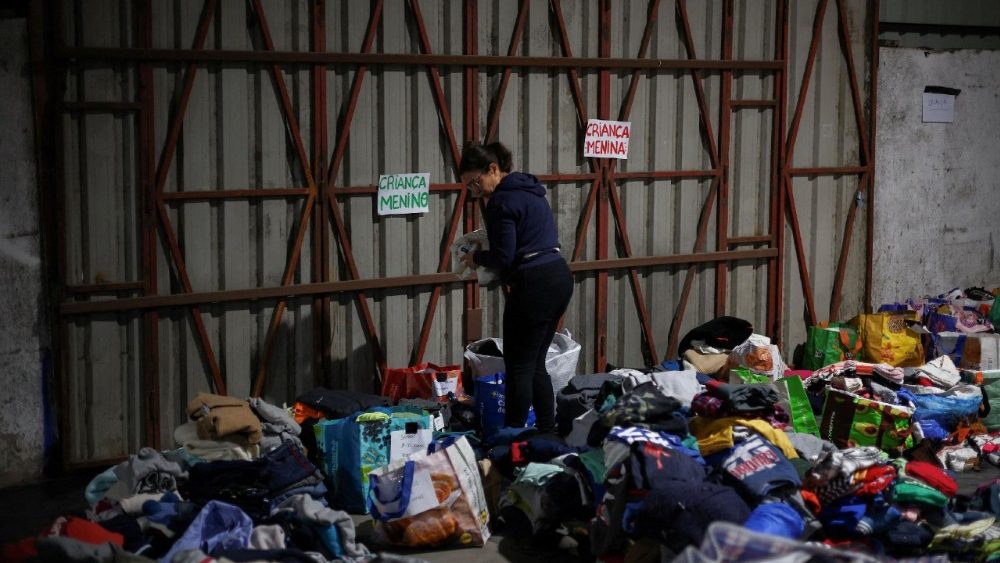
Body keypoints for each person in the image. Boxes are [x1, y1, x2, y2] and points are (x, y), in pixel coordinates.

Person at [458, 142, 574, 433]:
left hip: (533, 285)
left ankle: (512, 435)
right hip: (559, 277)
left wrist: (476, 258)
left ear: (493, 169)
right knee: (535, 363)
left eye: (475, 183)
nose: (474, 191)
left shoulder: (500, 202)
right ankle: (547, 431)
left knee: (520, 366)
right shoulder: (531, 192)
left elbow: (503, 256)